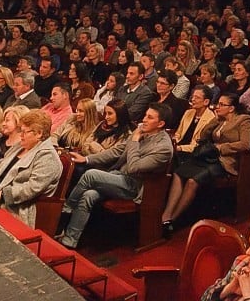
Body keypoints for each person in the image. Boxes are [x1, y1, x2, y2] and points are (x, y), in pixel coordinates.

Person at [57, 103, 174, 248]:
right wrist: (87, 159)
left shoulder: (163, 148)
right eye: (145, 115)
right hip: (119, 176)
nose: (144, 120)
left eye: (149, 117)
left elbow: (133, 168)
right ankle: (70, 240)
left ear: (161, 124)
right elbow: (116, 152)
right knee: (89, 195)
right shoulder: (143, 131)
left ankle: (65, 210)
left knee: (90, 174)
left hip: (136, 187)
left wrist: (135, 140)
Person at [161, 91, 250, 235]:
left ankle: (174, 219)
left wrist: (221, 147)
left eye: (222, 105)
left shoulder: (244, 120)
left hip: (224, 161)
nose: (217, 107)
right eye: (218, 104)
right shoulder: (219, 120)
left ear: (232, 108)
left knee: (192, 181)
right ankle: (166, 215)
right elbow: (203, 136)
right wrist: (215, 120)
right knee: (178, 172)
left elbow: (245, 144)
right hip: (207, 157)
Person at [0, 109, 63, 228]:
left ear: (39, 134)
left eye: (24, 132)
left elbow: (31, 189)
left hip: (13, 209)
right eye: (20, 131)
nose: (20, 135)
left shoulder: (48, 157)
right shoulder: (19, 146)